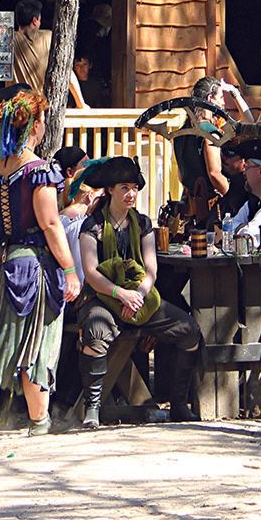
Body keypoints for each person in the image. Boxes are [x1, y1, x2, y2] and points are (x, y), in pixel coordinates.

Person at [0, 90, 80, 441]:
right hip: (32, 266)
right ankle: (7, 409)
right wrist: (70, 270)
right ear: (37, 125)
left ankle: (11, 408)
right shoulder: (39, 170)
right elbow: (50, 223)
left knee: (0, 337)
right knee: (35, 342)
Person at [75, 156, 202, 429]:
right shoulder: (92, 225)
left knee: (189, 330)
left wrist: (140, 294)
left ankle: (179, 404)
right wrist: (121, 294)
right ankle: (92, 408)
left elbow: (150, 270)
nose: (131, 193)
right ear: (109, 190)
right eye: (124, 187)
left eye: (134, 187)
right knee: (96, 331)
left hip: (140, 298)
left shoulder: (142, 223)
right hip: (102, 297)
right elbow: (92, 273)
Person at [175, 76, 233, 223]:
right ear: (210, 99)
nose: (223, 102)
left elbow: (181, 176)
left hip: (189, 209)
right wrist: (233, 200)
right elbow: (214, 174)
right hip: (209, 211)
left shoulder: (181, 133)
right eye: (220, 97)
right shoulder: (209, 132)